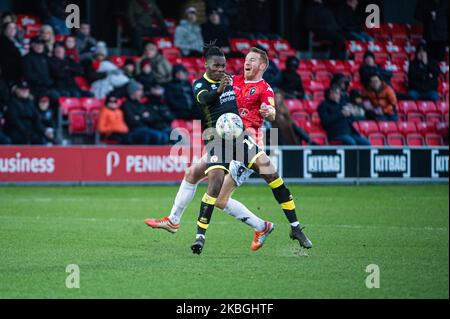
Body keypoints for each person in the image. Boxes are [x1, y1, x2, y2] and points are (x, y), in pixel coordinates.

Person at [145, 46, 312, 254]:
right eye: (246, 59)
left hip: (246, 142)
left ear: (262, 66)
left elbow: (270, 111)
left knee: (221, 199)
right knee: (192, 173)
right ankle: (173, 220)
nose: (246, 62)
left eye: (252, 60)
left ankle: (266, 227)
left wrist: (270, 112)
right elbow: (209, 94)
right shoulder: (234, 80)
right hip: (226, 139)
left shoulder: (264, 88)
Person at [122, 80, 170, 145]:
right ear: (133, 92)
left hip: (147, 128)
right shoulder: (126, 105)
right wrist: (143, 117)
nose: (141, 92)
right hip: (135, 130)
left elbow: (151, 118)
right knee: (158, 136)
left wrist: (139, 117)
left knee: (165, 136)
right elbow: (132, 120)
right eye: (139, 90)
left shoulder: (141, 104)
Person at [23, 36, 60, 101]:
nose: (39, 46)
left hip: (48, 86)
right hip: (35, 88)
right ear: (32, 45)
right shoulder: (27, 58)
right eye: (37, 44)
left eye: (41, 44)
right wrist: (43, 81)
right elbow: (29, 75)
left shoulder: (45, 57)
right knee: (54, 95)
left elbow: (51, 71)